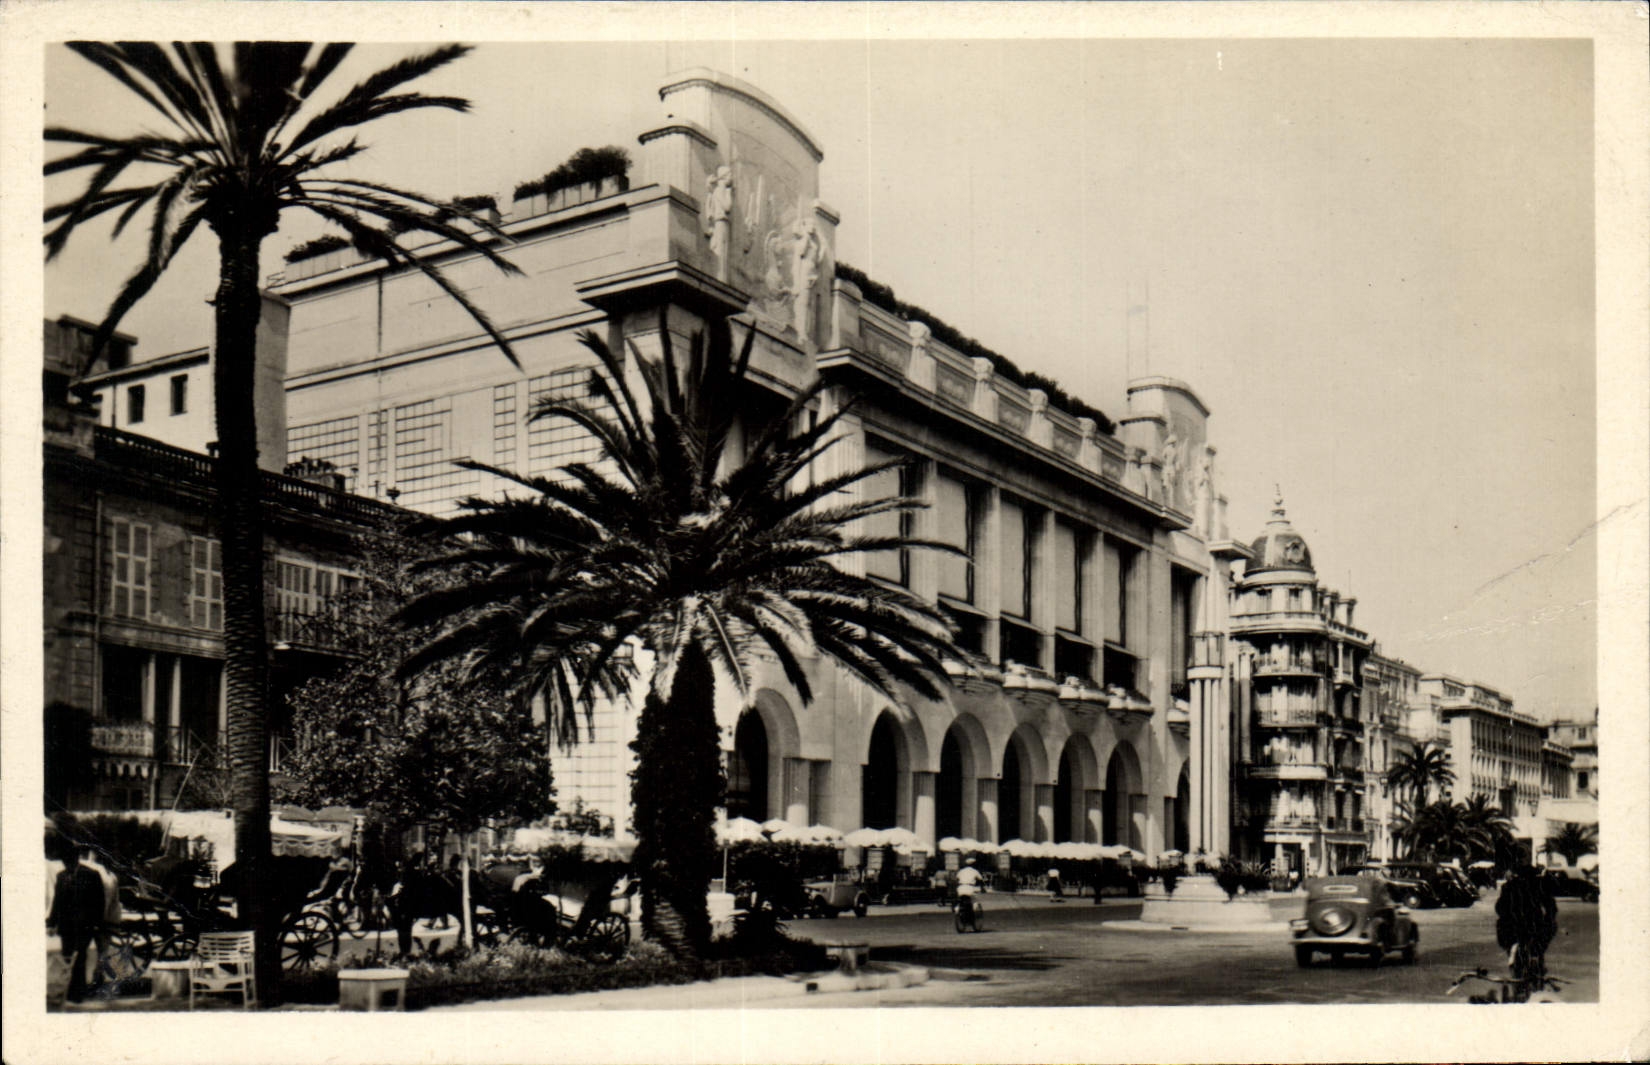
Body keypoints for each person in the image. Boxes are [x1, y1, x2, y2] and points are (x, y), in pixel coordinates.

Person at [48, 846, 106, 1004]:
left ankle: (77, 993)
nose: (67, 864)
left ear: (75, 859)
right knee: (67, 957)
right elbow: (57, 901)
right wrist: (51, 922)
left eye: (69, 861)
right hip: (66, 926)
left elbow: (99, 901)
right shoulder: (61, 876)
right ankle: (70, 990)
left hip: (84, 926)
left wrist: (96, 923)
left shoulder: (91, 875)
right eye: (65, 862)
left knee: (80, 956)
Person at [1495, 862, 1558, 982]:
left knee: (1506, 933)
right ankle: (1536, 957)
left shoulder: (1509, 886)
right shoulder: (1539, 886)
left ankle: (1514, 954)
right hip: (1534, 927)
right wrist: (1549, 919)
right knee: (1544, 935)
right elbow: (1551, 908)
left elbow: (1499, 908)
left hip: (1513, 927)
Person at [79, 846, 123, 991]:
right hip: (106, 916)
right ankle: (97, 976)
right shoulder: (110, 875)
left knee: (82, 949)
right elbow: (114, 901)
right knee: (102, 948)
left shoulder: (87, 868)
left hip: (88, 915)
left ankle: (84, 981)